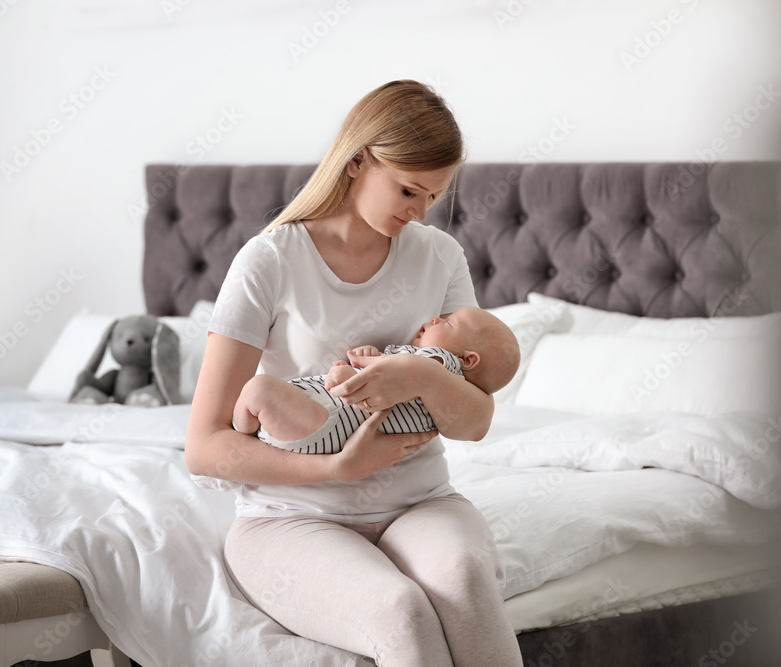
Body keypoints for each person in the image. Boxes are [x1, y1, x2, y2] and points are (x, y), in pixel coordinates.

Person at [184, 79, 525, 666]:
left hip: (419, 503)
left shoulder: (440, 256)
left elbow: (474, 422)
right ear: (358, 160)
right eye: (409, 190)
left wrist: (420, 378)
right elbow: (205, 446)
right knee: (401, 611)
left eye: (433, 198)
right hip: (290, 518)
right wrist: (339, 467)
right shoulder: (269, 261)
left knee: (466, 582)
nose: (419, 212)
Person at [191, 307, 520, 491]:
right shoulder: (442, 389)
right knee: (263, 396)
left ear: (468, 359)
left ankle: (246, 440)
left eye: (447, 322)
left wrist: (352, 372)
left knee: (258, 390)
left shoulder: (440, 362)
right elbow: (392, 384)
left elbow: (379, 382)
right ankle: (253, 445)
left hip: (330, 423)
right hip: (331, 433)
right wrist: (371, 357)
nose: (435, 318)